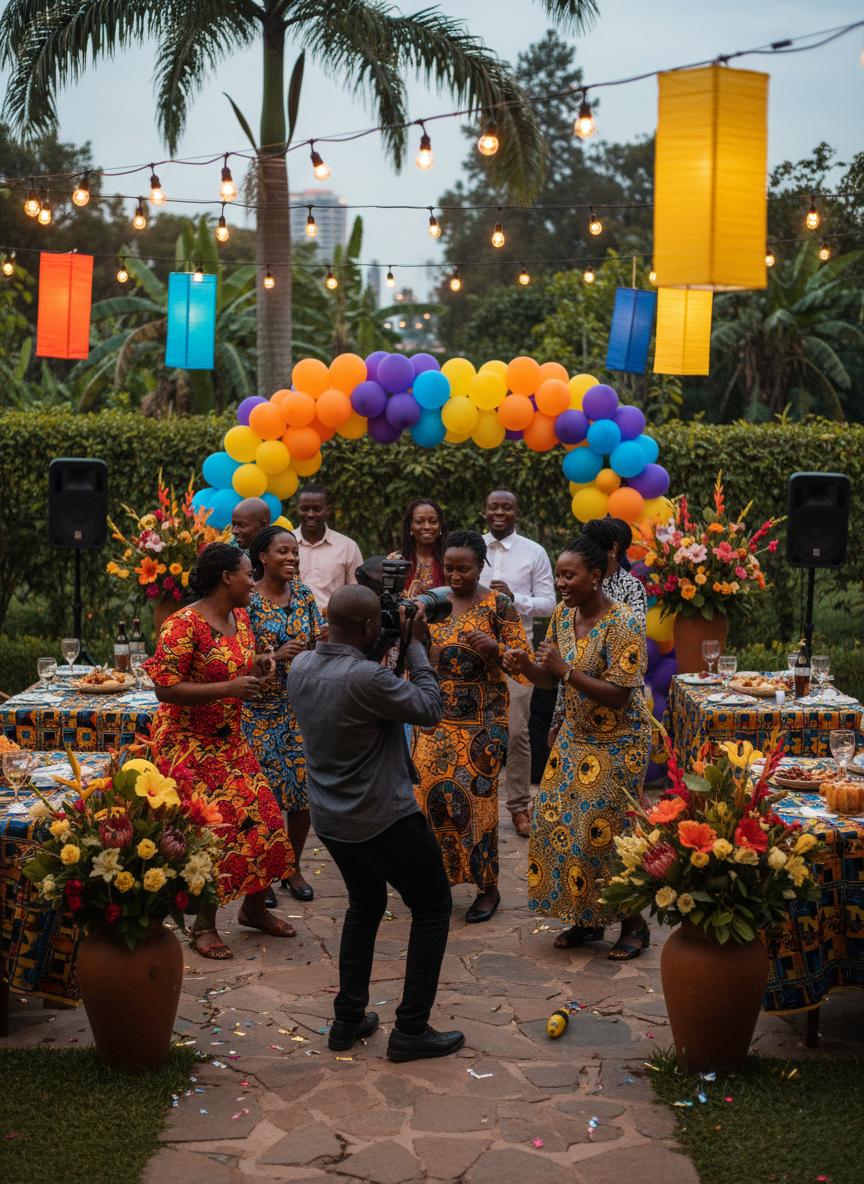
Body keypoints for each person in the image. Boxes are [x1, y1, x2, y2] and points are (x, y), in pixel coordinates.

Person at [287, 585, 464, 1063]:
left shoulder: (300, 665)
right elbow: (428, 710)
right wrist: (415, 647)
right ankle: (410, 1030)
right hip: (383, 817)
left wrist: (390, 646)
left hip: (331, 817)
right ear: (368, 628)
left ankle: (348, 1021)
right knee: (431, 907)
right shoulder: (367, 678)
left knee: (365, 906)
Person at [503, 534, 651, 960]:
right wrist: (527, 666)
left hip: (619, 741)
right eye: (558, 574)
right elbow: (549, 678)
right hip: (575, 738)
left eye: (570, 575)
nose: (562, 583)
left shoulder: (623, 623)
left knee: (605, 833)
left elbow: (620, 694)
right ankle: (585, 917)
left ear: (597, 576)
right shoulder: (563, 617)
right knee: (557, 823)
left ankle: (634, 925)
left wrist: (564, 671)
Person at [145, 543, 296, 960]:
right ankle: (204, 926)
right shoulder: (183, 624)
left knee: (265, 818)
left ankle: (253, 910)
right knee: (216, 831)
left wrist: (260, 666)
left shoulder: (241, 617)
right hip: (187, 746)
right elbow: (165, 688)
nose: (254, 581)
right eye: (249, 574)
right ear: (227, 577)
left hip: (231, 740)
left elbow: (236, 667)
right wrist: (228, 688)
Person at [413, 529, 533, 924]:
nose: (455, 575)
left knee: (476, 801)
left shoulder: (498, 605)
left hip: (484, 718)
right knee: (428, 795)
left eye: (464, 569)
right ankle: (438, 880)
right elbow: (411, 655)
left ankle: (487, 886)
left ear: (481, 566)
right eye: (449, 568)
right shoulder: (431, 603)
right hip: (436, 715)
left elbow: (524, 663)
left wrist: (497, 648)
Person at [242, 525, 323, 904]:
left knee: (303, 794)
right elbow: (238, 657)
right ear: (262, 557)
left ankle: (291, 866)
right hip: (259, 710)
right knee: (266, 796)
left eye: (295, 552)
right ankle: (261, 876)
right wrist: (275, 657)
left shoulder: (305, 596)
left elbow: (316, 638)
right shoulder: (247, 600)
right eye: (283, 552)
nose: (291, 558)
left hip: (301, 708)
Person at [482, 489, 555, 838]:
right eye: (493, 507)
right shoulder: (472, 548)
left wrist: (515, 598)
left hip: (517, 653)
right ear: (485, 512)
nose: (499, 512)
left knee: (516, 733)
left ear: (516, 512)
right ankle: (476, 806)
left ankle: (519, 808)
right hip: (475, 653)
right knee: (476, 731)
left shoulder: (534, 552)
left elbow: (550, 603)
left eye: (506, 507)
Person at [547, 517, 648, 747]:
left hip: (615, 717)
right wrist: (557, 720)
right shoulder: (567, 606)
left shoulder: (630, 591)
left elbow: (632, 658)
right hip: (575, 711)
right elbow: (560, 665)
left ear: (611, 549)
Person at [295, 483, 364, 613]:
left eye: (317, 509)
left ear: (328, 510)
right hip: (290, 626)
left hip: (334, 626)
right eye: (304, 508)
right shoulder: (284, 544)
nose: (310, 514)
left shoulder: (347, 547)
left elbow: (357, 594)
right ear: (297, 509)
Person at [387, 498, 447, 595]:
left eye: (433, 521)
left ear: (440, 526)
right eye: (419, 522)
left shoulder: (449, 560)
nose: (427, 527)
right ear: (410, 526)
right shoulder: (395, 560)